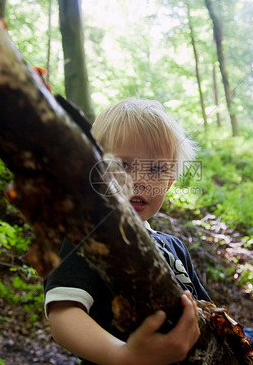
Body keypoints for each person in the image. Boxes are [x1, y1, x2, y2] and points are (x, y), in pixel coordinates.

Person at [43, 98, 211, 365]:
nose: (140, 180)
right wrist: (125, 356)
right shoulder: (89, 237)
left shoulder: (175, 248)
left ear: (168, 183)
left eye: (156, 169)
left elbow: (206, 318)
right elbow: (63, 316)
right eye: (122, 165)